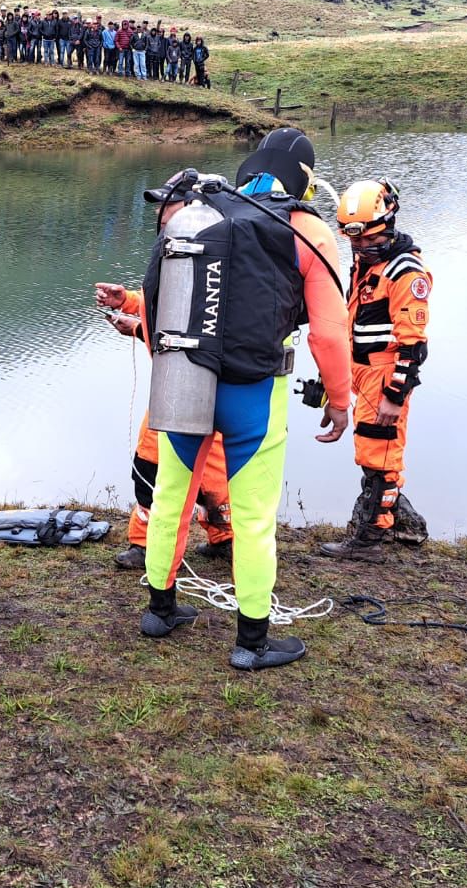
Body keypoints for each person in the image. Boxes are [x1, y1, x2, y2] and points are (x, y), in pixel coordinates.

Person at [136, 129, 352, 670]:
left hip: (187, 379)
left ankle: (160, 610)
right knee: (254, 516)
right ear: (302, 178)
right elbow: (328, 333)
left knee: (171, 494)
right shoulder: (306, 228)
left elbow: (154, 306)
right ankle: (253, 641)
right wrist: (341, 398)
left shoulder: (200, 212)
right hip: (255, 391)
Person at [94, 204, 235, 571]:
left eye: (168, 206)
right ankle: (145, 544)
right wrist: (128, 306)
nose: (161, 213)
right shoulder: (171, 250)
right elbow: (166, 310)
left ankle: (225, 538)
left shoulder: (222, 261)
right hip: (172, 384)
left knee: (209, 473)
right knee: (149, 464)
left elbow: (199, 323)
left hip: (207, 384)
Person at [319, 179, 431, 561]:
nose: (363, 247)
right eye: (356, 240)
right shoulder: (365, 266)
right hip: (362, 372)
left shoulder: (405, 273)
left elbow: (413, 344)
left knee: (380, 457)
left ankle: (370, 539)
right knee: (371, 454)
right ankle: (386, 526)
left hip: (384, 375)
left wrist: (395, 396)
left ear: (390, 224)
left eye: (370, 239)